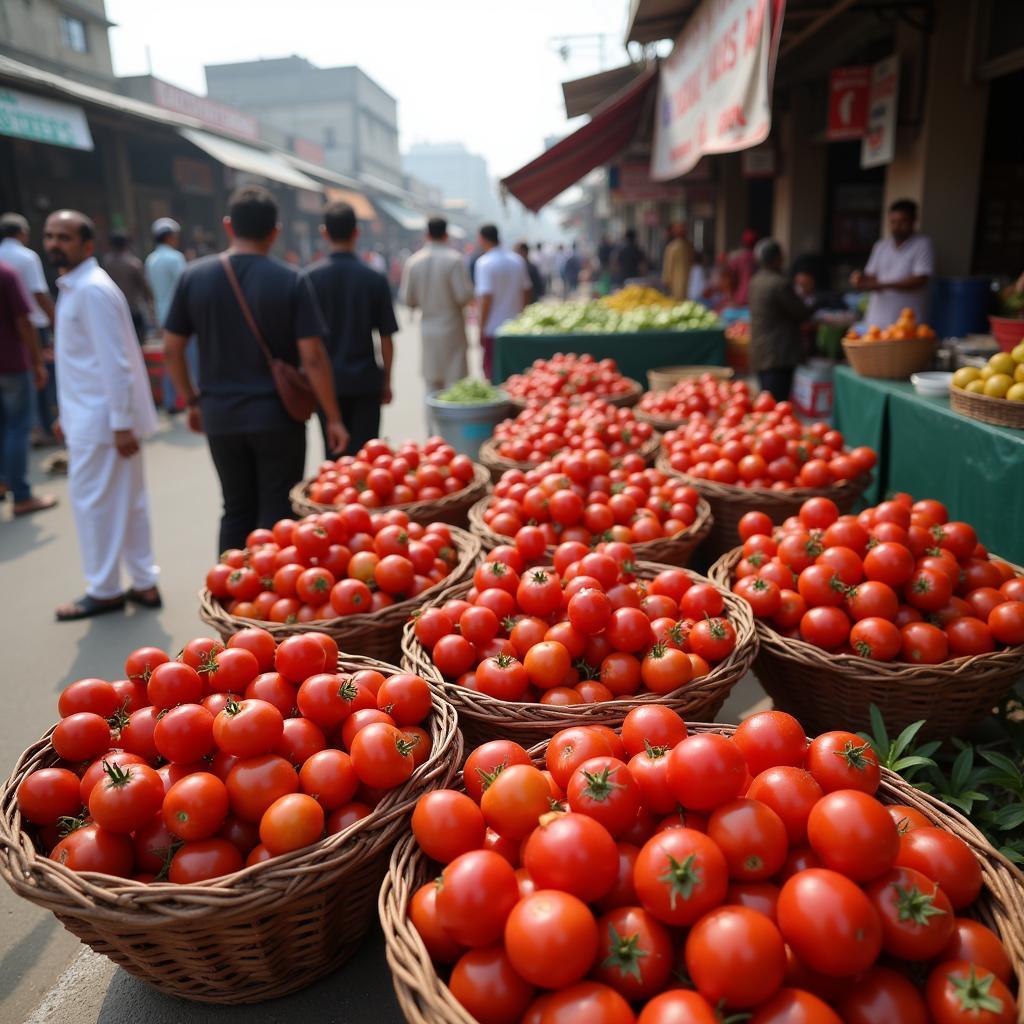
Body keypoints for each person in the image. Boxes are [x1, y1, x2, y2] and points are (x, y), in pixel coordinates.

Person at [162, 185, 347, 552]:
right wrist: (333, 417)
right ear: (275, 231)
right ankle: (268, 602)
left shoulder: (193, 277)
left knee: (235, 508)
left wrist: (192, 400)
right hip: (277, 416)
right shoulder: (292, 280)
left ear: (229, 226)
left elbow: (171, 349)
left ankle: (229, 593)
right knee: (278, 512)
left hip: (220, 415)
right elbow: (312, 358)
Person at [44, 210, 160, 620]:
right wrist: (65, 412)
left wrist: (122, 423)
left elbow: (116, 365)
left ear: (87, 245)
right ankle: (144, 582)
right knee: (127, 502)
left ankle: (105, 588)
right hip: (93, 417)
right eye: (50, 236)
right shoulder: (79, 287)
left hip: (103, 423)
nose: (55, 243)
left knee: (96, 505)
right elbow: (82, 363)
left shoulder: (90, 289)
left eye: (65, 237)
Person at [306, 201, 398, 456]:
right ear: (356, 232)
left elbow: (306, 344)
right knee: (367, 459)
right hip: (366, 381)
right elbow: (386, 337)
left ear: (324, 233)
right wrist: (387, 379)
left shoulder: (309, 279)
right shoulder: (374, 278)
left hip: (326, 385)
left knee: (335, 459)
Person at [0, 261, 56, 515]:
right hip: (11, 363)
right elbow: (24, 319)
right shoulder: (6, 273)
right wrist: (36, 362)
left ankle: (3, 483)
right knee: (17, 427)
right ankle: (21, 495)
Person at [400, 217, 474, 399]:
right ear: (446, 234)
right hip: (452, 329)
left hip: (428, 329)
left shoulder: (413, 262)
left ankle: (433, 427)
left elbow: (407, 299)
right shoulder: (454, 260)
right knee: (455, 384)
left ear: (426, 235)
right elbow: (463, 296)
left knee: (432, 385)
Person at [0, 213, 57, 441]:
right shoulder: (26, 258)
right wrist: (57, 320)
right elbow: (38, 294)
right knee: (41, 377)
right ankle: (45, 427)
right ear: (22, 233)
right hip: (32, 328)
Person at [850, 198, 934, 327]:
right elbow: (871, 276)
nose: (897, 227)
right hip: (877, 320)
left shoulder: (922, 244)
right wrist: (860, 279)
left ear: (914, 221)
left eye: (902, 222)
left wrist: (882, 285)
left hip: (907, 324)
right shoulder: (881, 246)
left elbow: (920, 279)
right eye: (893, 222)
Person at [748, 238, 812, 402]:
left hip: (761, 351)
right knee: (777, 402)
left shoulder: (755, 280)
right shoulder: (779, 284)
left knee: (767, 400)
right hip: (778, 354)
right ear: (778, 258)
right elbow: (801, 312)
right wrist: (808, 294)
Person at [474, 224, 531, 380]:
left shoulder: (484, 263)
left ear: (482, 239)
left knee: (493, 376)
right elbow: (527, 291)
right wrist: (523, 317)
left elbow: (486, 298)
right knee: (515, 376)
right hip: (516, 328)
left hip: (493, 330)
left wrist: (481, 327)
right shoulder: (517, 260)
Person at [144, 218, 189, 414]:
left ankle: (171, 400)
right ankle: (187, 397)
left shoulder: (151, 259)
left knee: (169, 357)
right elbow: (185, 286)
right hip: (180, 315)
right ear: (171, 237)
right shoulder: (175, 258)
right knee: (186, 357)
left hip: (163, 316)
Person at [102, 233, 152, 344]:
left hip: (112, 311)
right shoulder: (133, 264)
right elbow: (145, 288)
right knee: (137, 343)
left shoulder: (106, 263)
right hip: (133, 309)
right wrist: (150, 304)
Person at [662, 222, 695, 301]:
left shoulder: (672, 247)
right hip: (689, 282)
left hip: (676, 284)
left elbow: (668, 268)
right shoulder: (689, 246)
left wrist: (666, 281)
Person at [728, 229, 758, 307]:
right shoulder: (758, 258)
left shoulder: (737, 258)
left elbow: (731, 278)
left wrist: (731, 295)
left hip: (741, 297)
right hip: (755, 297)